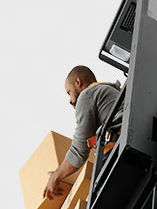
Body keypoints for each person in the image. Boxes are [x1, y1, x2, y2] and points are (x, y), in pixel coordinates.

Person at [43, 65, 122, 200]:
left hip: (117, 152)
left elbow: (79, 150)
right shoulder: (109, 90)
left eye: (69, 92)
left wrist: (56, 176)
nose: (69, 100)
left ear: (78, 82)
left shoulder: (87, 95)